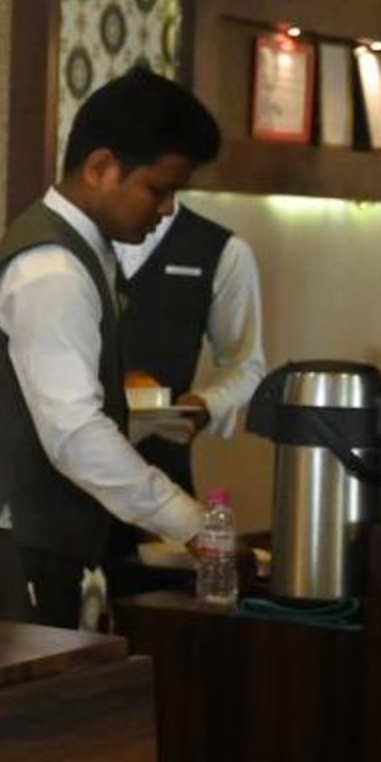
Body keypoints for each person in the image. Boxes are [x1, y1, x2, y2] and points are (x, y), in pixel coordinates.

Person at [0, 68, 221, 627]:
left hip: (19, 520)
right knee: (31, 681)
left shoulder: (83, 247)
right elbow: (75, 435)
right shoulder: (52, 269)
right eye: (158, 189)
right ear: (101, 167)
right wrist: (190, 523)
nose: (167, 210)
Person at [105, 198, 267, 597]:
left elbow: (246, 365)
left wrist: (207, 403)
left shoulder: (222, 251)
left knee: (154, 610)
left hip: (163, 469)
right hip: (70, 478)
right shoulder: (79, 238)